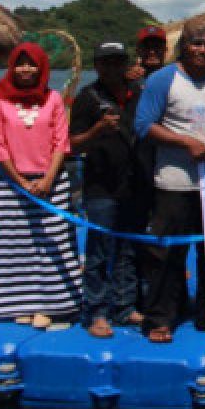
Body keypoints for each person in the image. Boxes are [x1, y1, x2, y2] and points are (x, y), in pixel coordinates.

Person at [134, 21, 205, 342]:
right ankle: (160, 318)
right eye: (196, 44)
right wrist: (184, 142)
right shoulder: (163, 79)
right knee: (167, 255)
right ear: (183, 46)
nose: (202, 50)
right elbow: (143, 125)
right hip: (173, 182)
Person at [0, 42, 82, 328]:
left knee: (52, 244)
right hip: (14, 183)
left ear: (41, 67)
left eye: (32, 63)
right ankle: (18, 303)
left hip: (51, 182)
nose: (26, 69)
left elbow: (61, 142)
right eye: (20, 63)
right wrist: (21, 181)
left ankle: (51, 304)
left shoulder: (53, 100)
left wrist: (47, 179)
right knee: (16, 246)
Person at [70, 41, 144, 337]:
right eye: (106, 62)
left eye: (117, 62)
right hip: (100, 185)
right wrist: (97, 130)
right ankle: (96, 311)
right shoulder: (87, 98)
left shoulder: (137, 93)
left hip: (133, 182)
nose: (112, 68)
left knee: (128, 247)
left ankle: (124, 307)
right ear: (97, 66)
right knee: (99, 250)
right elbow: (73, 145)